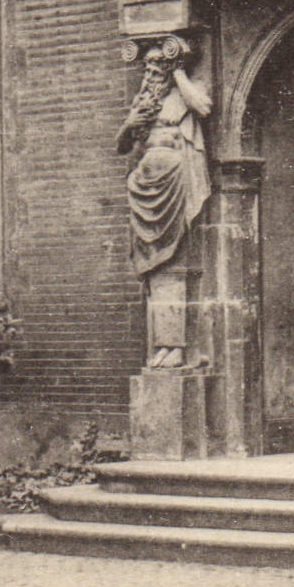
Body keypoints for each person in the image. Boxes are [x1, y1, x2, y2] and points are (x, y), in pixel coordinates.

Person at [117, 37, 211, 368]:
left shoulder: (181, 95)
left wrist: (180, 75)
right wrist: (131, 123)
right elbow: (122, 145)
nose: (153, 71)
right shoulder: (144, 102)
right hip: (145, 184)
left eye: (160, 65)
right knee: (154, 266)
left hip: (174, 180)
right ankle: (163, 345)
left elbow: (203, 107)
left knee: (175, 262)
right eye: (149, 66)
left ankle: (178, 347)